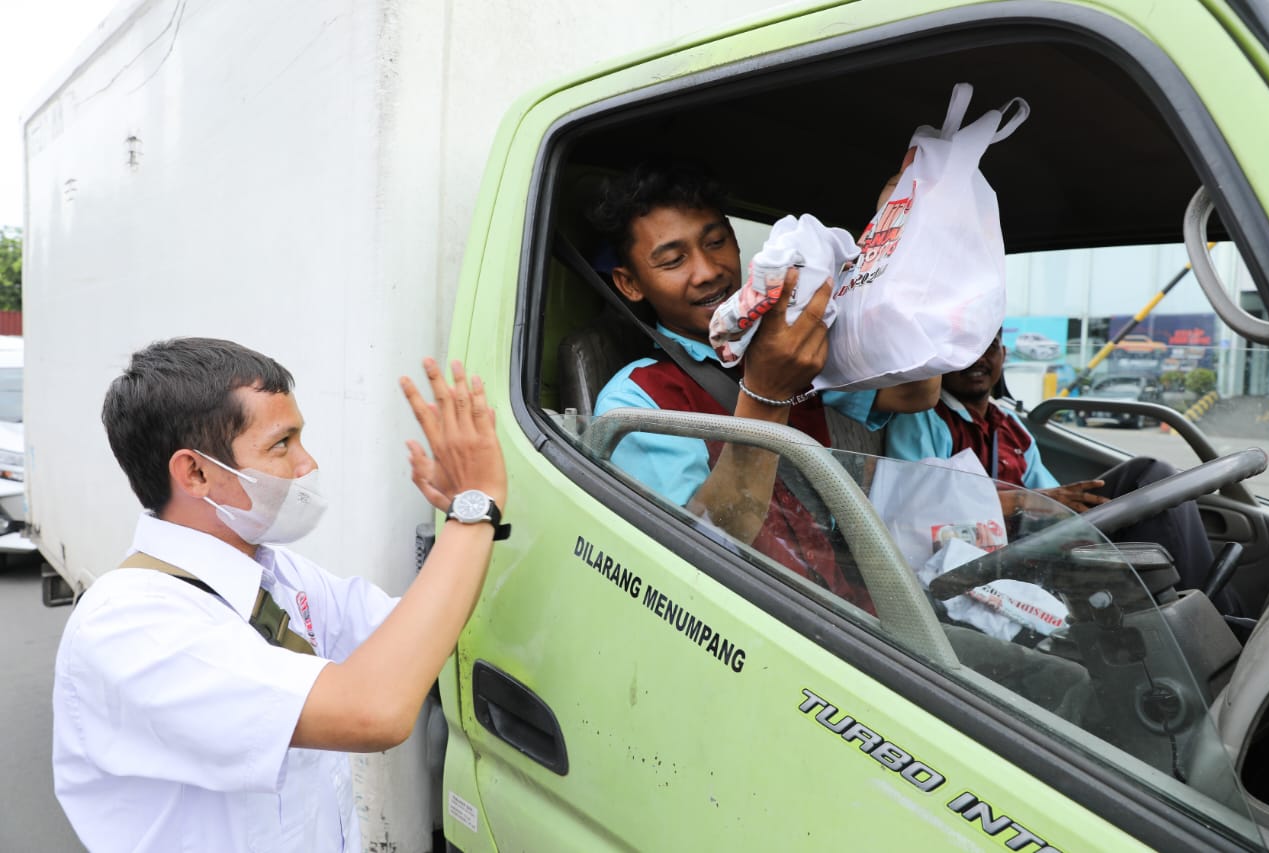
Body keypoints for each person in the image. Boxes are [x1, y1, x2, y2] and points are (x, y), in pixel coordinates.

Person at [52, 337, 507, 852]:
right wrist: (475, 510)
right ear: (195, 472)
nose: (306, 464)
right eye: (281, 444)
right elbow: (375, 709)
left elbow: (417, 634)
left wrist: (464, 514)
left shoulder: (275, 572)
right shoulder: (132, 626)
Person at [587, 160, 938, 609]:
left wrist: (904, 244)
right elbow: (697, 556)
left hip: (849, 609)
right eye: (673, 260)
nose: (707, 271)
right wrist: (767, 393)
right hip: (761, 619)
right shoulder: (637, 397)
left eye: (716, 243)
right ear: (630, 283)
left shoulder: (788, 338)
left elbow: (917, 390)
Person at [884, 334, 1232, 610]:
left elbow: (1052, 500)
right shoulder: (922, 419)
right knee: (1149, 474)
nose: (978, 359)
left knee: (1154, 485)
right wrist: (1023, 501)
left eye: (988, 347)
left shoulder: (1011, 426)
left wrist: (1058, 508)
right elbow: (917, 510)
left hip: (1035, 542)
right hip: (983, 557)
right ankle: (1212, 615)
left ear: (1003, 354)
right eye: (965, 349)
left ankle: (1204, 613)